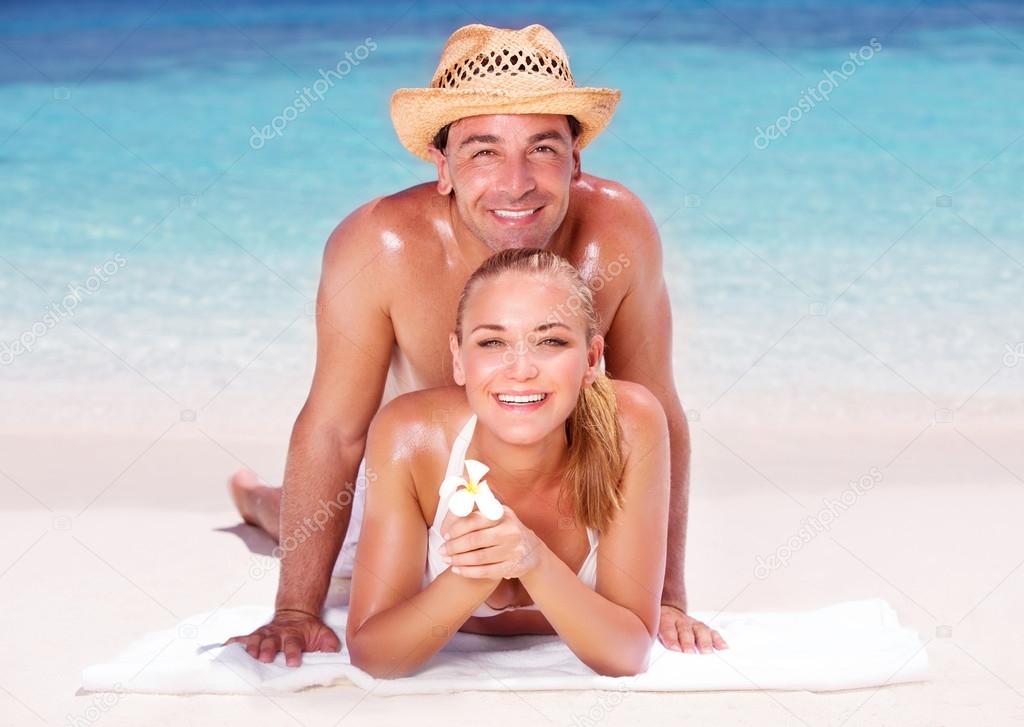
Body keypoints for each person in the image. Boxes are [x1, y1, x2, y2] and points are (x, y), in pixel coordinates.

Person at [226, 23, 725, 666]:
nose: (515, 183)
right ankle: (262, 501)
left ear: (576, 158)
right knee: (340, 536)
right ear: (443, 166)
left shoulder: (617, 233)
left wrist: (669, 599)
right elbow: (336, 432)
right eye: (484, 151)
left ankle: (270, 502)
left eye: (542, 149)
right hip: (422, 486)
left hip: (566, 493)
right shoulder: (380, 247)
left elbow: (656, 412)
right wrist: (295, 610)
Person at [349, 248, 688, 678]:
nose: (521, 369)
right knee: (326, 529)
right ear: (458, 358)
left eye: (551, 341)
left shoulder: (632, 427)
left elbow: (626, 655)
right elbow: (374, 655)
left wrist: (530, 557)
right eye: (493, 342)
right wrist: (482, 568)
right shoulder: (410, 436)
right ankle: (261, 502)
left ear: (590, 359)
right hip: (374, 510)